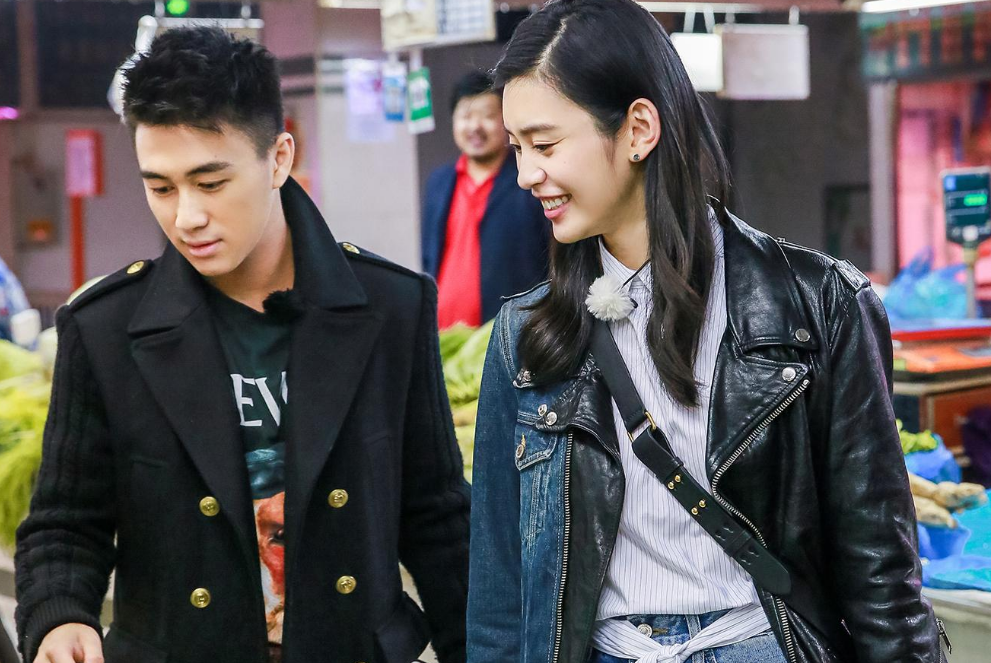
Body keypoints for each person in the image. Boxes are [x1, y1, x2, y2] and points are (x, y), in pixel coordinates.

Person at [466, 1, 947, 663]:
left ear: (638, 129)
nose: (525, 174)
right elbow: (499, 588)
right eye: (518, 147)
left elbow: (880, 570)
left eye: (544, 145)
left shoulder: (820, 305)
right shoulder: (525, 336)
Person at [15, 27, 469, 663]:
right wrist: (59, 617)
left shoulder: (390, 307)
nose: (186, 217)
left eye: (210, 182)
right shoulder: (105, 329)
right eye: (161, 187)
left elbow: (438, 519)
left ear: (279, 158)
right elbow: (65, 524)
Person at [421, 71, 549, 329]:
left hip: (511, 333)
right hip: (444, 337)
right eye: (466, 116)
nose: (475, 127)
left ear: (506, 122)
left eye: (488, 116)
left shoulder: (528, 182)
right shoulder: (439, 183)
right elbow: (428, 259)